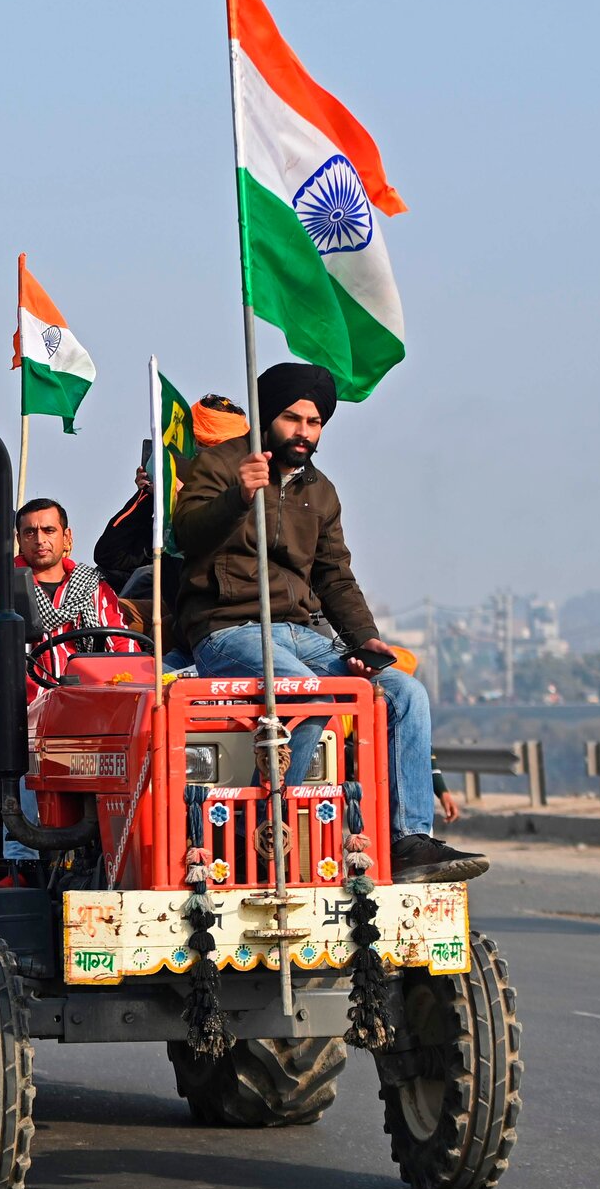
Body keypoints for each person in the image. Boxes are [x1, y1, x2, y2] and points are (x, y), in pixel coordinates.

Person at [173, 361, 485, 884]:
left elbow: (335, 575)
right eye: (294, 419)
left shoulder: (320, 490)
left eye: (315, 423)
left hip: (301, 631)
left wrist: (364, 637)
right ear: (269, 416)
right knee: (304, 690)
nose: (304, 432)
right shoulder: (224, 465)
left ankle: (407, 838)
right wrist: (236, 498)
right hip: (227, 629)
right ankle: (265, 828)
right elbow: (185, 536)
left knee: (405, 692)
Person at [96, 393, 250, 599]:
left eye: (213, 448)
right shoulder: (165, 514)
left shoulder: (250, 497)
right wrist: (149, 496)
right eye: (198, 447)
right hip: (170, 604)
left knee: (146, 577)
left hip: (224, 597)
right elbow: (111, 556)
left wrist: (190, 498)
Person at [0, 498, 135, 688]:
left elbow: (124, 646)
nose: (40, 540)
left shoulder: (95, 587)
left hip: (90, 699)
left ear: (66, 537)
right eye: (30, 533)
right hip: (24, 706)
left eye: (49, 531)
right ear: (19, 540)